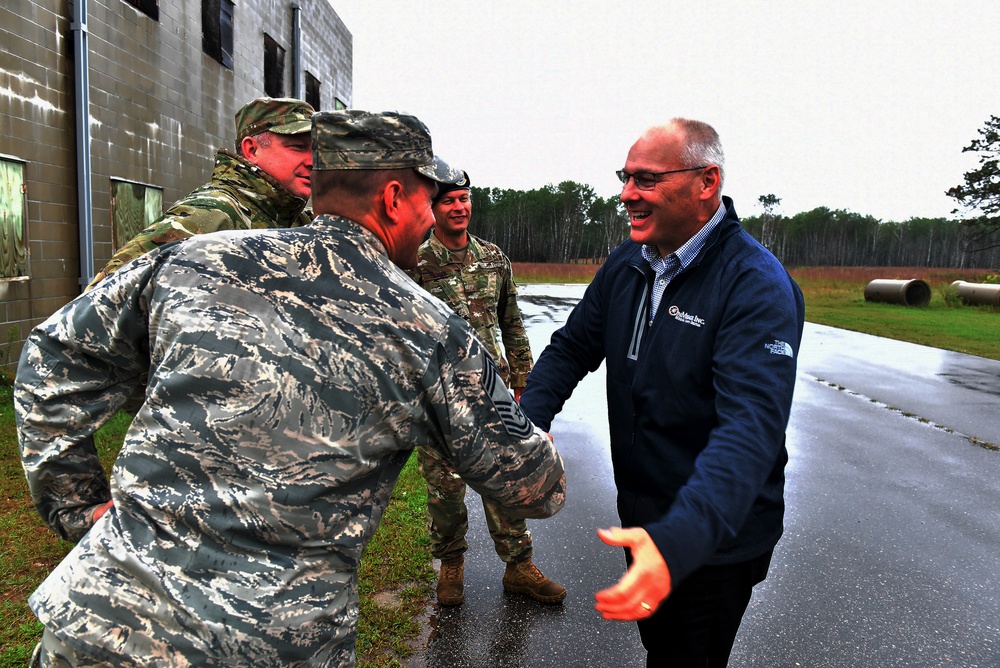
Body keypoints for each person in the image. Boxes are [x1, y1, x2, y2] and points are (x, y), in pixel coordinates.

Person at [16, 109, 566, 667]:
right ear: (395, 198)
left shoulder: (194, 259)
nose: (432, 217)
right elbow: (534, 488)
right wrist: (539, 441)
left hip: (98, 627)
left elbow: (54, 352)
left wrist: (76, 504)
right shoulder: (427, 330)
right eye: (429, 198)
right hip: (268, 647)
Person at [519, 118, 805, 667]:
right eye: (626, 178)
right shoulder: (629, 263)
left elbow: (750, 431)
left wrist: (678, 540)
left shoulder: (754, 284)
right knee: (661, 646)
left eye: (647, 180)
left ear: (706, 182)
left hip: (714, 537)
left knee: (688, 655)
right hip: (645, 519)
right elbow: (573, 346)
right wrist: (526, 427)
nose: (627, 194)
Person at [409, 173, 566, 605]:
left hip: (492, 393)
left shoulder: (494, 258)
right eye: (449, 202)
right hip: (440, 396)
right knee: (445, 488)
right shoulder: (416, 262)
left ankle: (519, 566)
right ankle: (451, 566)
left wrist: (523, 383)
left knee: (507, 480)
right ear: (433, 209)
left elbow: (511, 320)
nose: (459, 207)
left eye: (465, 199)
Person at [88, 96, 315, 286]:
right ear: (251, 149)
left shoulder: (298, 220)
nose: (312, 161)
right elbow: (99, 299)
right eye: (298, 148)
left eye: (316, 149)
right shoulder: (211, 215)